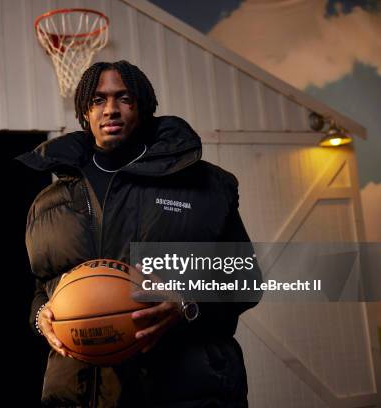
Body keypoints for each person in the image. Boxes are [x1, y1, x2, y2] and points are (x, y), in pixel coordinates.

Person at [16, 60, 261, 407]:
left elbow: (244, 279)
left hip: (185, 391)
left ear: (142, 107)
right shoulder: (49, 203)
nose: (111, 110)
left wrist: (186, 303)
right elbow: (43, 290)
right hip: (79, 394)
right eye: (98, 100)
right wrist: (43, 319)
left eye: (124, 98)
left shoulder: (204, 184)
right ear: (84, 113)